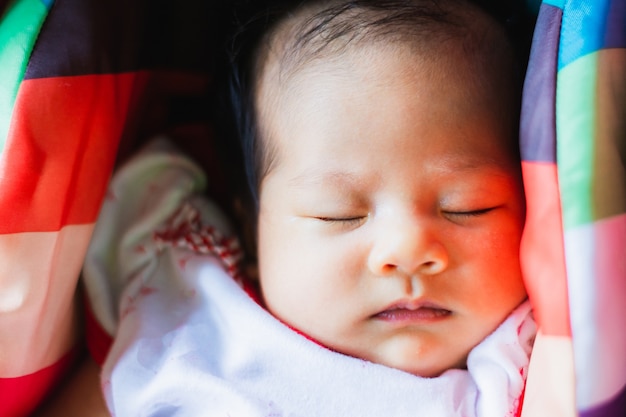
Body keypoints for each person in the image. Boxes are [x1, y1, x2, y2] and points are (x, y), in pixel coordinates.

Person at [43, 0, 536, 415]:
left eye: (468, 207)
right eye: (339, 213)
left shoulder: (529, 363)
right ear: (250, 227)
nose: (407, 248)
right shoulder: (193, 313)